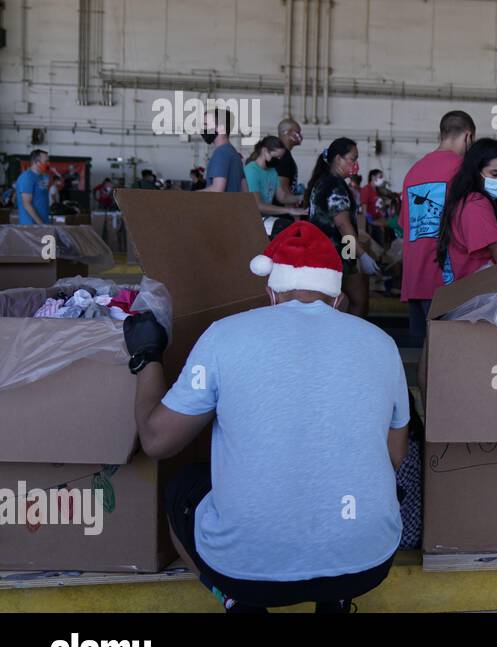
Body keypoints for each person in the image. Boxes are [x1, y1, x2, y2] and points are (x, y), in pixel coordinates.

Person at [125, 221, 408, 613]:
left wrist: (146, 358)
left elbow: (157, 442)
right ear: (339, 300)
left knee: (181, 490)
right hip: (368, 562)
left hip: (244, 570)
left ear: (271, 293)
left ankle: (235, 600)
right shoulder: (383, 344)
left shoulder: (224, 335)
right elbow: (393, 458)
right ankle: (337, 599)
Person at [400, 110, 475, 339]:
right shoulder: (464, 171)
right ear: (468, 137)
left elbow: (406, 225)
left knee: (427, 353)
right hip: (450, 282)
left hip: (415, 278)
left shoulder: (413, 172)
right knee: (451, 356)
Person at [305, 138, 371, 317]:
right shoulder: (335, 185)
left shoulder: (322, 182)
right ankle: (351, 340)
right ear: (338, 159)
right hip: (335, 254)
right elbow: (342, 224)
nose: (355, 164)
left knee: (336, 302)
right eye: (352, 159)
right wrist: (360, 254)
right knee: (358, 300)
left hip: (324, 254)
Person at [437, 138, 497, 281]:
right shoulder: (475, 204)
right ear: (475, 171)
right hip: (479, 292)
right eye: (495, 174)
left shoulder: (464, 199)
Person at [243, 136, 306, 219]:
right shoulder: (251, 171)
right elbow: (258, 205)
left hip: (264, 218)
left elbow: (282, 197)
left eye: (280, 157)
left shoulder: (272, 171)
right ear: (264, 151)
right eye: (276, 156)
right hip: (250, 218)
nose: (279, 160)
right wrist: (289, 210)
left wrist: (301, 197)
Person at [202, 108, 246, 193]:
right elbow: (245, 190)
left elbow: (217, 190)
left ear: (221, 128)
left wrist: (188, 195)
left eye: (206, 125)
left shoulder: (221, 153)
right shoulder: (235, 154)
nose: (203, 128)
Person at [273, 118, 304, 206]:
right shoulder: (284, 157)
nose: (300, 136)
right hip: (281, 214)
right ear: (288, 132)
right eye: (297, 132)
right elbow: (283, 192)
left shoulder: (282, 154)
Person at [16, 149, 51, 225]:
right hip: (31, 226)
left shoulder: (43, 176)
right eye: (46, 161)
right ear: (37, 162)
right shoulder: (27, 177)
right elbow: (27, 204)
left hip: (44, 222)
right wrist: (41, 224)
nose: (48, 163)